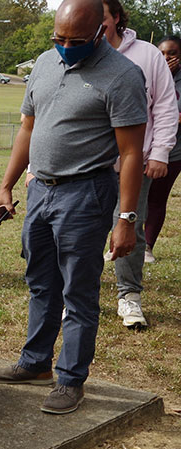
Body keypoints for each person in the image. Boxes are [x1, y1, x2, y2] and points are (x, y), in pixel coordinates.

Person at [0, 0, 147, 415]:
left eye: (76, 41)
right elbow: (27, 128)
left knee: (78, 291)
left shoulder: (123, 76)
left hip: (86, 194)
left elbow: (131, 154)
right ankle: (35, 363)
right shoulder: (43, 62)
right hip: (40, 189)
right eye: (59, 39)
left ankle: (71, 378)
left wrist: (126, 219)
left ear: (101, 31)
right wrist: (5, 186)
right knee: (40, 281)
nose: (66, 47)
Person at [100, 0, 178, 329]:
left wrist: (160, 152)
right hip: (87, 164)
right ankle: (80, 296)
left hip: (135, 161)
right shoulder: (81, 51)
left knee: (131, 224)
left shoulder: (147, 54)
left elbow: (164, 105)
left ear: (116, 18)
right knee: (83, 229)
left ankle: (129, 296)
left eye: (99, 17)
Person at [145, 35, 181, 263]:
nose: (166, 58)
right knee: (135, 198)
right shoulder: (151, 74)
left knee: (156, 198)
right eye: (162, 53)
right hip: (146, 148)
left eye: (172, 53)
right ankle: (122, 244)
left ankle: (147, 246)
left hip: (174, 151)